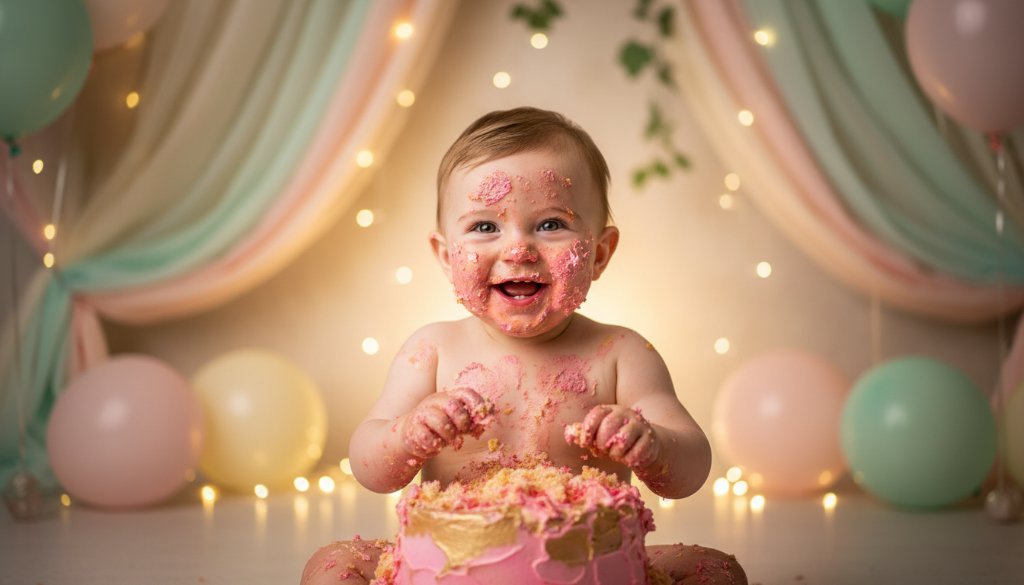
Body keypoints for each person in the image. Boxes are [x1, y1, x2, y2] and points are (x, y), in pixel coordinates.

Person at [301, 107, 747, 585]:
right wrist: (408, 434)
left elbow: (690, 470)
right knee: (332, 565)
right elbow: (371, 467)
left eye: (551, 224)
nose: (518, 250)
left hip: (586, 569)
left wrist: (652, 443)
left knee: (717, 570)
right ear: (447, 257)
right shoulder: (432, 350)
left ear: (599, 253)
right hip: (453, 568)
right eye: (486, 227)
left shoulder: (621, 354)